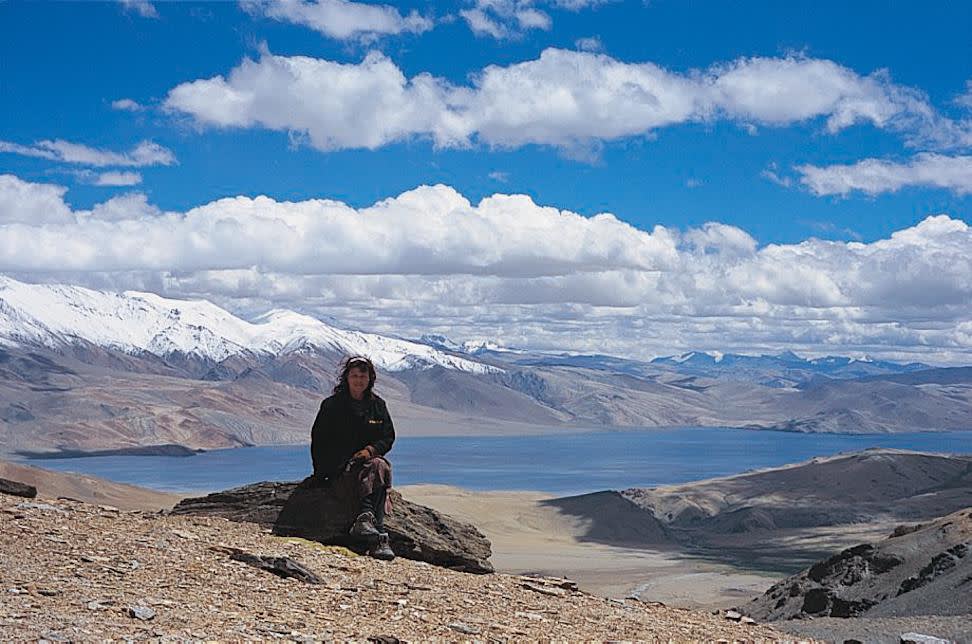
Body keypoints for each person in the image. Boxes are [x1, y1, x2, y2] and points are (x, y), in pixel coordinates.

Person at [310, 356, 396, 560]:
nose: (359, 380)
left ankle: (365, 523)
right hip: (340, 468)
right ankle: (379, 539)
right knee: (378, 478)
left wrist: (370, 450)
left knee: (378, 466)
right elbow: (319, 441)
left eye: (363, 376)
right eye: (354, 375)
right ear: (346, 378)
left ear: (370, 378)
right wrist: (322, 473)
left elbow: (388, 436)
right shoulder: (331, 406)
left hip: (369, 466)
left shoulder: (378, 406)